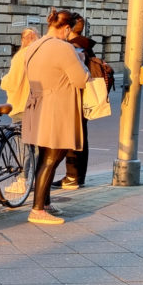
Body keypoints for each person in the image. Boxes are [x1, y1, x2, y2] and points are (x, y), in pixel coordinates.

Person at [22, 8, 89, 225]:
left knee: (45, 157)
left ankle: (45, 203)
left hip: (37, 105)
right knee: (51, 158)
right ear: (67, 28)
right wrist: (83, 65)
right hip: (56, 107)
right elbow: (80, 79)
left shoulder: (35, 46)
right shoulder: (63, 48)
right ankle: (37, 210)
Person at [52, 14, 96, 190]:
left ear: (68, 29)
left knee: (72, 138)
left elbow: (76, 77)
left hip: (73, 98)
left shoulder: (74, 48)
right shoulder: (85, 45)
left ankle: (72, 176)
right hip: (82, 97)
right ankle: (78, 176)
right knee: (81, 137)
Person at [0, 27, 40, 123]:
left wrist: (3, 81)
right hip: (38, 106)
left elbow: (12, 82)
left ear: (23, 40)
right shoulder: (41, 53)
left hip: (21, 105)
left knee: (20, 135)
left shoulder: (20, 56)